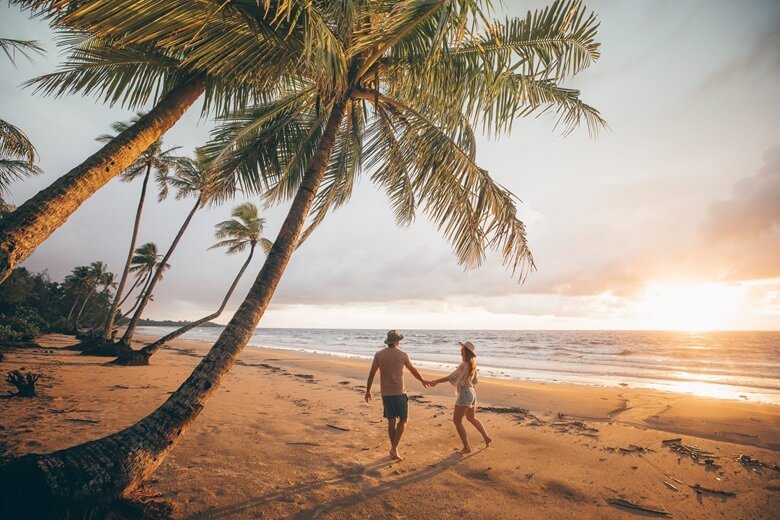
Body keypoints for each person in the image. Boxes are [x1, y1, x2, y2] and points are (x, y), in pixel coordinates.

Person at [365, 330, 429, 461]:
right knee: (404, 420)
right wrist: (422, 380)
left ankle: (393, 449)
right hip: (399, 393)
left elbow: (371, 374)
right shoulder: (403, 354)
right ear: (396, 341)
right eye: (399, 340)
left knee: (391, 422)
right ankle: (394, 448)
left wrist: (368, 391)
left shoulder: (379, 354)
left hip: (386, 394)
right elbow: (413, 370)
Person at [427, 341, 492, 454]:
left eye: (462, 349)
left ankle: (467, 447)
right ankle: (486, 437)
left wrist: (436, 381)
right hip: (472, 392)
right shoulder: (473, 365)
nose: (460, 351)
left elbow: (451, 377)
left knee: (457, 421)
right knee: (471, 418)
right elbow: (475, 381)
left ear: (466, 352)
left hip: (465, 393)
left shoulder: (464, 365)